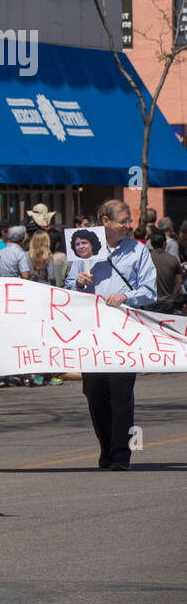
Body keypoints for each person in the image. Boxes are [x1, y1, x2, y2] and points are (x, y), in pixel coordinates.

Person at [66, 201, 156, 470]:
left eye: (130, 220)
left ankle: (120, 455)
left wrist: (126, 296)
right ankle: (106, 449)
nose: (129, 225)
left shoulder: (138, 251)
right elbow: (68, 288)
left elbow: (149, 290)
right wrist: (77, 283)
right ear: (105, 221)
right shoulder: (83, 249)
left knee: (121, 394)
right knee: (94, 393)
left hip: (124, 331)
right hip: (92, 332)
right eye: (124, 220)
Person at [148, 232, 181, 314]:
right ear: (164, 244)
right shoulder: (173, 260)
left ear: (151, 244)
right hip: (166, 303)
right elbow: (179, 282)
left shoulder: (146, 258)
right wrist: (172, 296)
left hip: (149, 301)